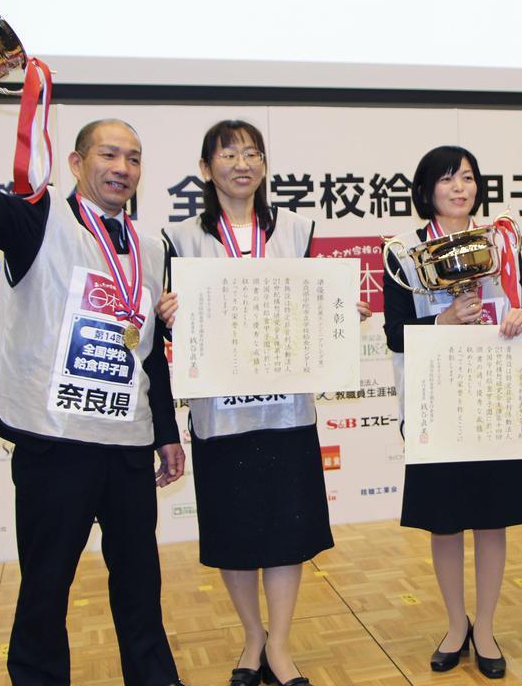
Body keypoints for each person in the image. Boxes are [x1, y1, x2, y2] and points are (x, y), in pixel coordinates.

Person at [0, 51, 185, 686]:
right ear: (77, 164)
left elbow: (146, 350)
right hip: (55, 444)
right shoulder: (38, 219)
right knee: (45, 592)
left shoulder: (150, 245)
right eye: (108, 155)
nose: (122, 167)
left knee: (141, 588)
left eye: (133, 158)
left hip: (127, 444)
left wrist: (164, 431)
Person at [156, 119, 370, 686]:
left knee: (285, 529)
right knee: (233, 530)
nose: (242, 164)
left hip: (286, 410)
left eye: (253, 153)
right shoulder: (180, 238)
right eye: (228, 154)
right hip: (219, 412)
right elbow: (170, 327)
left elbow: (316, 308)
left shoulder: (295, 230)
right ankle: (251, 637)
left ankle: (279, 644)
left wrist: (341, 316)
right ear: (206, 169)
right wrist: (169, 314)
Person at [382, 145, 522, 680]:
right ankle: (456, 625)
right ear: (427, 189)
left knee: (492, 518)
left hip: (495, 399)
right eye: (448, 178)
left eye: (469, 178)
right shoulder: (405, 252)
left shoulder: (502, 241)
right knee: (446, 521)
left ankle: (487, 628)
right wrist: (444, 323)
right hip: (437, 404)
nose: (460, 187)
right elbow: (392, 332)